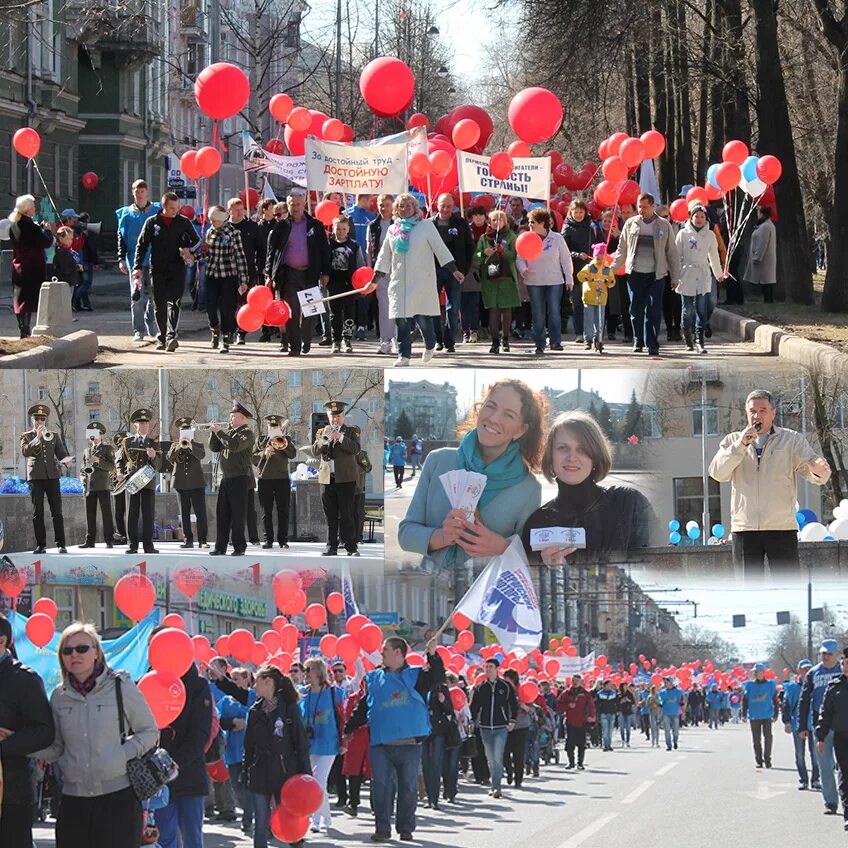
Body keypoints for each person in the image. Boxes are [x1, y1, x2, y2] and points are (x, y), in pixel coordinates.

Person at [398, 380, 545, 581]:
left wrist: (501, 547)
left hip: (485, 598)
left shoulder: (529, 489)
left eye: (508, 415)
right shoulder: (438, 460)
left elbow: (528, 560)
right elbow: (406, 533)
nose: (493, 418)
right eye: (490, 406)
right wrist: (440, 537)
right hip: (430, 592)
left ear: (521, 430)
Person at [34, 622, 158, 847]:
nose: (74, 655)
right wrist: (19, 743)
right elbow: (57, 747)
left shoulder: (121, 686)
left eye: (82, 648)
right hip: (74, 801)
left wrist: (121, 754)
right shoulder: (59, 697)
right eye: (67, 650)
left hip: (117, 799)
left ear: (96, 653)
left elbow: (149, 731)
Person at [709, 389, 831, 577]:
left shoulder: (791, 440)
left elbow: (813, 467)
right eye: (752, 411)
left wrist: (820, 471)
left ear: (773, 413)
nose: (757, 416)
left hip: (781, 528)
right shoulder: (733, 441)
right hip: (745, 529)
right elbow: (717, 473)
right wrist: (741, 445)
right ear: (746, 413)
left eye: (763, 411)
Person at [345, 636, 444, 842]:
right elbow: (364, 705)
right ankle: (382, 828)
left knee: (408, 787)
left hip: (409, 744)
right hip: (381, 743)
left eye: (385, 651)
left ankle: (405, 827)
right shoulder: (374, 678)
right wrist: (350, 727)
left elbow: (437, 677)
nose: (381, 654)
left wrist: (433, 655)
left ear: (398, 652)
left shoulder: (416, 676)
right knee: (380, 786)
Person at [522, 410, 653, 564]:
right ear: (551, 457)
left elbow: (658, 572)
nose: (572, 457)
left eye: (582, 449)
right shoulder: (537, 524)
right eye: (563, 448)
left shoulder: (629, 505)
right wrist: (553, 574)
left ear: (596, 457)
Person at [373, 193, 464, 366]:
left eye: (409, 206)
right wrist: (375, 279)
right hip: (399, 282)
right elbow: (384, 256)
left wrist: (454, 270)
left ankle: (430, 343)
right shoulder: (394, 230)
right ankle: (404, 355)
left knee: (423, 318)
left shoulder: (426, 226)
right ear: (396, 210)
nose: (405, 209)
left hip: (421, 281)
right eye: (401, 206)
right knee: (401, 319)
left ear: (415, 208)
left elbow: (440, 249)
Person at [152, 625, 214, 848]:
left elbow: (201, 733)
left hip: (188, 775)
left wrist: (174, 762)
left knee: (191, 839)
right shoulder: (147, 682)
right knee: (162, 839)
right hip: (156, 778)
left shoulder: (198, 686)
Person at [0, 615, 55, 847]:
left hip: (11, 793)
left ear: (2, 640)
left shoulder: (24, 679)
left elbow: (44, 732)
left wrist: (6, 744)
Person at [242, 666, 311, 848]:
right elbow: (248, 746)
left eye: (256, 680)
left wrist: (306, 773)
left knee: (290, 819)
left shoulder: (288, 708)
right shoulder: (254, 711)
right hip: (259, 773)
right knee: (261, 823)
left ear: (267, 681)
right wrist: (246, 770)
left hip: (285, 774)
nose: (253, 685)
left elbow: (301, 742)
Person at [611, 192, 681, 356]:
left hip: (656, 275)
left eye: (645, 207)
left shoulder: (664, 225)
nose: (641, 210)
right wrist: (612, 270)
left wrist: (675, 276)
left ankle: (652, 343)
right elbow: (622, 250)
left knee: (653, 310)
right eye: (639, 207)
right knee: (635, 309)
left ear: (653, 206)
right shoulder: (631, 224)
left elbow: (672, 252)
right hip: (635, 273)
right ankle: (638, 340)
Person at [264, 192, 330, 356]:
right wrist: (269, 274)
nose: (296, 208)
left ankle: (305, 339)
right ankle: (294, 346)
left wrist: (325, 272)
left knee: (311, 311)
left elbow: (325, 251)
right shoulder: (281, 226)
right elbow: (271, 252)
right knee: (292, 312)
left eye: (299, 204)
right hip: (289, 274)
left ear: (304, 203)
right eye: (292, 204)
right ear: (288, 205)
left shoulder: (315, 225)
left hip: (310, 273)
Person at [133, 191, 200, 352]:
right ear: (164, 206)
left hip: (177, 268)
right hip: (158, 268)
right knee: (159, 303)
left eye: (177, 208)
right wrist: (137, 267)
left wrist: (188, 251)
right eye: (171, 208)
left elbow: (197, 241)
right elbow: (141, 245)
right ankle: (162, 337)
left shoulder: (183, 222)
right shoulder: (152, 222)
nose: (175, 211)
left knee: (175, 302)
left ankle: (171, 336)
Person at [517, 208, 573, 356]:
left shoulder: (557, 238)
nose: (529, 224)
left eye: (532, 222)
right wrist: (523, 270)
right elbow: (519, 257)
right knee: (538, 314)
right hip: (534, 281)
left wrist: (569, 278)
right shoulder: (526, 238)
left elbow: (566, 259)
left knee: (554, 312)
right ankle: (540, 344)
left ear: (542, 223)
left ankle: (555, 342)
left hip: (554, 281)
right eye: (529, 221)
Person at [300, 657, 345, 834]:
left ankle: (315, 820)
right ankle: (326, 817)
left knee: (319, 782)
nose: (306, 674)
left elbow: (342, 719)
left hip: (328, 744)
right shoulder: (303, 693)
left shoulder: (335, 693)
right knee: (314, 782)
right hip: (309, 745)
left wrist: (344, 742)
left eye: (308, 670)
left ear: (318, 672)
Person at [21, 403, 72, 554]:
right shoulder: (26, 436)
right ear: (32, 420)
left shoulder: (53, 436)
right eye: (37, 419)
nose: (40, 422)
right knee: (38, 512)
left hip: (52, 477)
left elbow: (61, 454)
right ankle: (41, 545)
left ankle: (61, 544)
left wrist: (67, 461)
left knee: (57, 511)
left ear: (45, 421)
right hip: (35, 478)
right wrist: (36, 438)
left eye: (42, 419)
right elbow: (25, 452)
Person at [800, 639, 844, 815]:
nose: (825, 657)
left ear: (837, 655)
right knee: (825, 764)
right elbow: (804, 700)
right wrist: (802, 725)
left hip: (842, 722)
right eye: (823, 653)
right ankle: (831, 802)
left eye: (829, 654)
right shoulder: (813, 673)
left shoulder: (843, 670)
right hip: (820, 724)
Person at [312, 401, 361, 556]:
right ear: (328, 417)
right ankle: (331, 546)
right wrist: (326, 437)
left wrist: (339, 437)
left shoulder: (352, 431)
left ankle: (351, 547)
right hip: (327, 478)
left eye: (338, 416)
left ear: (343, 416)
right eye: (333, 416)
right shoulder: (322, 432)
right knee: (330, 515)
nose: (335, 419)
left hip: (345, 479)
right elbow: (315, 451)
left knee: (347, 514)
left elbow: (355, 449)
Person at [200, 205, 251, 354]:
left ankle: (225, 337)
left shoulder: (233, 233)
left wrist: (243, 279)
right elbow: (206, 253)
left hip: (228, 275)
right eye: (210, 220)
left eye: (214, 220)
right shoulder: (210, 232)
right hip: (212, 274)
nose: (211, 222)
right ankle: (214, 329)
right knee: (210, 306)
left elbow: (240, 256)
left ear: (221, 220)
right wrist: (193, 256)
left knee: (226, 308)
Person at [675, 202, 724, 354]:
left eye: (702, 217)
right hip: (686, 275)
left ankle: (700, 341)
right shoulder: (683, 234)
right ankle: (687, 336)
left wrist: (718, 273)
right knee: (687, 310)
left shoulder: (709, 235)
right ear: (691, 217)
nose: (699, 219)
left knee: (701, 310)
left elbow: (713, 256)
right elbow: (676, 256)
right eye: (696, 216)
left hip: (703, 275)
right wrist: (675, 276)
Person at [209, 402, 256, 556]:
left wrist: (220, 432)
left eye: (233, 416)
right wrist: (214, 433)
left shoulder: (247, 433)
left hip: (240, 478)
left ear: (243, 418)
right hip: (226, 478)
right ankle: (220, 547)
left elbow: (234, 446)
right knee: (222, 513)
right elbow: (214, 448)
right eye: (230, 416)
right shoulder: (229, 432)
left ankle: (239, 547)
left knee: (238, 514)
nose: (230, 419)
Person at [431, 193, 475, 353]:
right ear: (437, 205)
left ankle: (449, 341)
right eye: (443, 205)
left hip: (455, 271)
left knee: (453, 307)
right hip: (433, 270)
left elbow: (470, 246)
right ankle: (437, 340)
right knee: (433, 307)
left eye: (449, 206)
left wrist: (464, 269)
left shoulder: (461, 223)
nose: (446, 209)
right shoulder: (429, 224)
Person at [117, 179, 159, 341]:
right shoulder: (126, 214)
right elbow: (121, 236)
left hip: (154, 261)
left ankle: (151, 321)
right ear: (133, 192)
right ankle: (138, 330)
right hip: (135, 263)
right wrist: (121, 258)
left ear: (146, 192)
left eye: (142, 191)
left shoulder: (156, 211)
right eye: (137, 191)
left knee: (154, 296)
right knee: (137, 296)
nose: (140, 194)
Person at [216, 667, 257, 836]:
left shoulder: (253, 697)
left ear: (248, 680)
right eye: (232, 679)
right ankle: (250, 809)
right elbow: (216, 717)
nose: (234, 682)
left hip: (250, 750)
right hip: (232, 750)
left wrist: (246, 722)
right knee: (236, 787)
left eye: (237, 678)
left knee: (248, 786)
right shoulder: (225, 701)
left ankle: (247, 819)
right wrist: (230, 722)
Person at [117, 408, 162, 555]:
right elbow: (120, 460)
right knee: (132, 514)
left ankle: (148, 545)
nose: (144, 426)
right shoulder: (127, 442)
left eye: (146, 423)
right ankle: (132, 545)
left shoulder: (154, 443)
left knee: (148, 514)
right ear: (135, 426)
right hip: (132, 482)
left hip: (148, 483)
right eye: (141, 423)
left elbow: (159, 465)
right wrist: (120, 472)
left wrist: (154, 456)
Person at [470, 658, 516, 798]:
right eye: (486, 666)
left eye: (491, 666)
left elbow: (513, 704)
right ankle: (493, 784)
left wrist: (512, 721)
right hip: (484, 727)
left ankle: (497, 787)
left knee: (497, 756)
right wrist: (471, 720)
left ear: (497, 669)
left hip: (501, 727)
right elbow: (475, 706)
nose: (488, 669)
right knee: (490, 758)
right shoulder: (481, 687)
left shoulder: (505, 686)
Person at [8, 193, 53, 338]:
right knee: (29, 299)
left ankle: (23, 328)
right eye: (33, 206)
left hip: (18, 266)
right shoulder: (31, 227)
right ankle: (26, 330)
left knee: (19, 298)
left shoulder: (14, 226)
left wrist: (39, 229)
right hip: (32, 266)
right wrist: (47, 231)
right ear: (27, 210)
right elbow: (45, 242)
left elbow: (26, 239)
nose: (35, 208)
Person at [475, 209, 520, 355]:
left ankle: (505, 339)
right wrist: (483, 253)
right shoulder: (483, 238)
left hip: (507, 278)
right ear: (489, 222)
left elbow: (514, 255)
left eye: (500, 220)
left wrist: (503, 251)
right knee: (493, 309)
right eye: (494, 220)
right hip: (490, 278)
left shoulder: (512, 236)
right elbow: (475, 258)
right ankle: (494, 342)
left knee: (506, 309)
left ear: (505, 222)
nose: (496, 222)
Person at [815, 646, 848, 829]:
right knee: (845, 774)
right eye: (844, 663)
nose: (845, 666)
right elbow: (825, 713)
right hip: (842, 736)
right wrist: (821, 736)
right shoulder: (834, 685)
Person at [253, 414, 296, 549]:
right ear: (267, 426)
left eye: (275, 426)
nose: (273, 428)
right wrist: (263, 454)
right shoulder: (260, 441)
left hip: (282, 479)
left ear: (279, 426)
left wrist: (282, 443)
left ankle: (283, 540)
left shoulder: (285, 439)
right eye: (271, 426)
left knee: (283, 510)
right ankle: (268, 539)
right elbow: (253, 458)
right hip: (265, 479)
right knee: (266, 511)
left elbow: (293, 454)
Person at [327, 215, 366, 354]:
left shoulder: (354, 245)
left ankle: (347, 339)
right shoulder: (329, 244)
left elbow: (361, 265)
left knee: (349, 313)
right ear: (333, 228)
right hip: (334, 282)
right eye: (338, 229)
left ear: (348, 229)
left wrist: (362, 282)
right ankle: (336, 340)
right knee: (335, 313)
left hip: (350, 284)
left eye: (344, 229)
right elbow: (324, 262)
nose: (341, 232)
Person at [167, 416, 208, 549]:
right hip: (180, 484)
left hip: (196, 483)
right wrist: (180, 445)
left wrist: (190, 445)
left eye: (187, 429)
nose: (185, 431)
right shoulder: (175, 445)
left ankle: (203, 540)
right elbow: (170, 457)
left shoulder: (198, 445)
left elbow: (201, 455)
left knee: (200, 512)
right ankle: (187, 540)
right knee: (184, 513)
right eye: (182, 430)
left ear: (191, 431)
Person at [782, 658, 819, 790]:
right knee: (799, 753)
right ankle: (803, 779)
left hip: (814, 724)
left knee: (815, 754)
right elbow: (786, 706)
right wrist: (786, 722)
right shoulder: (793, 688)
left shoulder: (816, 685)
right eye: (804, 669)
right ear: (799, 671)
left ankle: (815, 780)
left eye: (809, 668)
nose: (807, 671)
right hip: (797, 724)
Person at [228, 197, 260, 344]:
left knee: (245, 302)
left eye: (242, 210)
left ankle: (242, 332)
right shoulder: (225, 227)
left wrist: (261, 267)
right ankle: (231, 330)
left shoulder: (251, 227)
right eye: (237, 210)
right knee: (230, 302)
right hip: (228, 271)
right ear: (230, 211)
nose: (240, 213)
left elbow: (260, 249)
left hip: (248, 271)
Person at [562, 199, 595, 344]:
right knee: (577, 303)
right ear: (571, 212)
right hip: (574, 270)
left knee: (592, 302)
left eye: (581, 212)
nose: (579, 214)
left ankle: (592, 332)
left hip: (591, 269)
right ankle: (579, 333)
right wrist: (576, 254)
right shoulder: (567, 228)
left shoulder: (591, 227)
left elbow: (599, 243)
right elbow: (563, 251)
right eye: (576, 212)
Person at [367, 193, 396, 354]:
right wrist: (371, 271)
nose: (383, 208)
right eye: (381, 204)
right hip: (381, 271)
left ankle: (399, 338)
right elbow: (369, 249)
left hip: (398, 270)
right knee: (384, 307)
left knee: (399, 306)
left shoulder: (400, 224)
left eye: (386, 204)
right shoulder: (373, 225)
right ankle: (385, 340)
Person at [79, 421, 115, 548]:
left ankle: (109, 540)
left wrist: (98, 461)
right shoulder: (86, 450)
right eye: (92, 434)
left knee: (106, 513)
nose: (94, 436)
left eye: (97, 433)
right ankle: (90, 541)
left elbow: (112, 466)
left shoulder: (107, 449)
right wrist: (83, 480)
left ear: (102, 435)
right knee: (90, 514)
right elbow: (82, 468)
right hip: (90, 486)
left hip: (103, 485)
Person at [577, 242, 616, 353]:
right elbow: (580, 276)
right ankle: (588, 339)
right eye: (597, 259)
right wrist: (588, 278)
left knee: (600, 320)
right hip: (589, 296)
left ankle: (598, 339)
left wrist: (609, 281)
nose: (599, 261)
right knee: (589, 319)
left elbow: (612, 282)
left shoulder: (607, 269)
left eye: (601, 259)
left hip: (601, 298)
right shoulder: (589, 267)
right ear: (594, 257)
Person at [743, 662, 779, 768]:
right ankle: (759, 760)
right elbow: (745, 700)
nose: (759, 674)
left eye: (761, 672)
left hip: (767, 715)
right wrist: (744, 713)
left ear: (764, 673)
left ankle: (767, 759)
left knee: (768, 737)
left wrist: (776, 713)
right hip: (754, 715)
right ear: (755, 673)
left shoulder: (770, 685)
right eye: (757, 672)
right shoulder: (750, 685)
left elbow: (775, 699)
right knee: (756, 739)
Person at [501, 668, 532, 788]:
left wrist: (524, 706)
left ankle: (518, 779)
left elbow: (532, 708)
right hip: (506, 726)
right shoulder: (503, 690)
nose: (505, 682)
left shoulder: (523, 690)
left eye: (507, 680)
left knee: (519, 754)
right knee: (505, 753)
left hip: (521, 726)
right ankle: (509, 771)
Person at [557, 672, 595, 768]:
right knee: (570, 743)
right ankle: (571, 762)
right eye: (573, 681)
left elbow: (591, 706)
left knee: (582, 744)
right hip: (570, 721)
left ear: (581, 682)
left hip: (582, 721)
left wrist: (592, 716)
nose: (574, 682)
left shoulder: (585, 693)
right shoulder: (566, 693)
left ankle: (580, 763)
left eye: (577, 681)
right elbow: (558, 704)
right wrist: (568, 706)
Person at [743, 206, 778, 302]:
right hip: (766, 258)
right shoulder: (767, 225)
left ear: (762, 213)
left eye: (758, 212)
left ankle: (768, 300)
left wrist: (757, 257)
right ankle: (768, 300)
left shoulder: (765, 226)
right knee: (767, 281)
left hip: (764, 259)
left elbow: (762, 243)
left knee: (766, 281)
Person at [52, 225, 83, 303]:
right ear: (61, 238)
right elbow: (65, 268)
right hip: (65, 282)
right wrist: (77, 267)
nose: (70, 241)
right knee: (64, 304)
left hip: (69, 281)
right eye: (68, 239)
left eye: (71, 239)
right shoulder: (61, 251)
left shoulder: (67, 250)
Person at [658, 677, 684, 751]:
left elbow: (682, 703)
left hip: (675, 713)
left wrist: (683, 713)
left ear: (671, 682)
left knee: (675, 731)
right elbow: (660, 704)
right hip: (666, 714)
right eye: (664, 682)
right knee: (667, 730)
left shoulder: (678, 692)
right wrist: (659, 715)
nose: (665, 683)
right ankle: (669, 745)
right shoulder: (662, 692)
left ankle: (675, 741)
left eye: (666, 682)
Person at [595, 680, 618, 752]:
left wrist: (617, 710)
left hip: (612, 713)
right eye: (609, 685)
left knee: (610, 730)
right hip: (603, 714)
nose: (611, 686)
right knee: (605, 730)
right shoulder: (600, 694)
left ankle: (609, 745)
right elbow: (597, 705)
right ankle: (605, 745)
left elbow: (617, 703)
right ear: (605, 686)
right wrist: (598, 713)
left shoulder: (614, 693)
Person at [618, 682, 637, 747]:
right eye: (624, 686)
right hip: (621, 712)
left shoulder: (630, 694)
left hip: (628, 711)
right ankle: (623, 740)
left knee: (628, 728)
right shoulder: (619, 694)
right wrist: (621, 701)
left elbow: (633, 702)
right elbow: (616, 703)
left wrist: (628, 700)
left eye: (626, 686)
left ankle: (628, 741)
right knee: (622, 728)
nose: (625, 687)